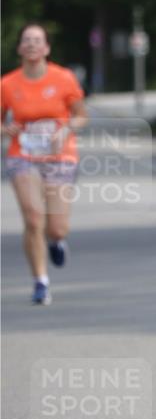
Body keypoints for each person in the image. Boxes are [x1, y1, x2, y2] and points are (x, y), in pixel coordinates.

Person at [1, 24, 88, 305]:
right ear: (19, 48)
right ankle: (40, 281)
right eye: (26, 40)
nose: (31, 45)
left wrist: (65, 130)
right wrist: (5, 129)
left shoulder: (63, 78)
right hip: (22, 156)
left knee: (56, 227)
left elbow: (80, 116)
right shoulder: (7, 84)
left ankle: (56, 241)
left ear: (47, 48)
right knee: (33, 218)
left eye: (37, 41)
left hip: (59, 156)